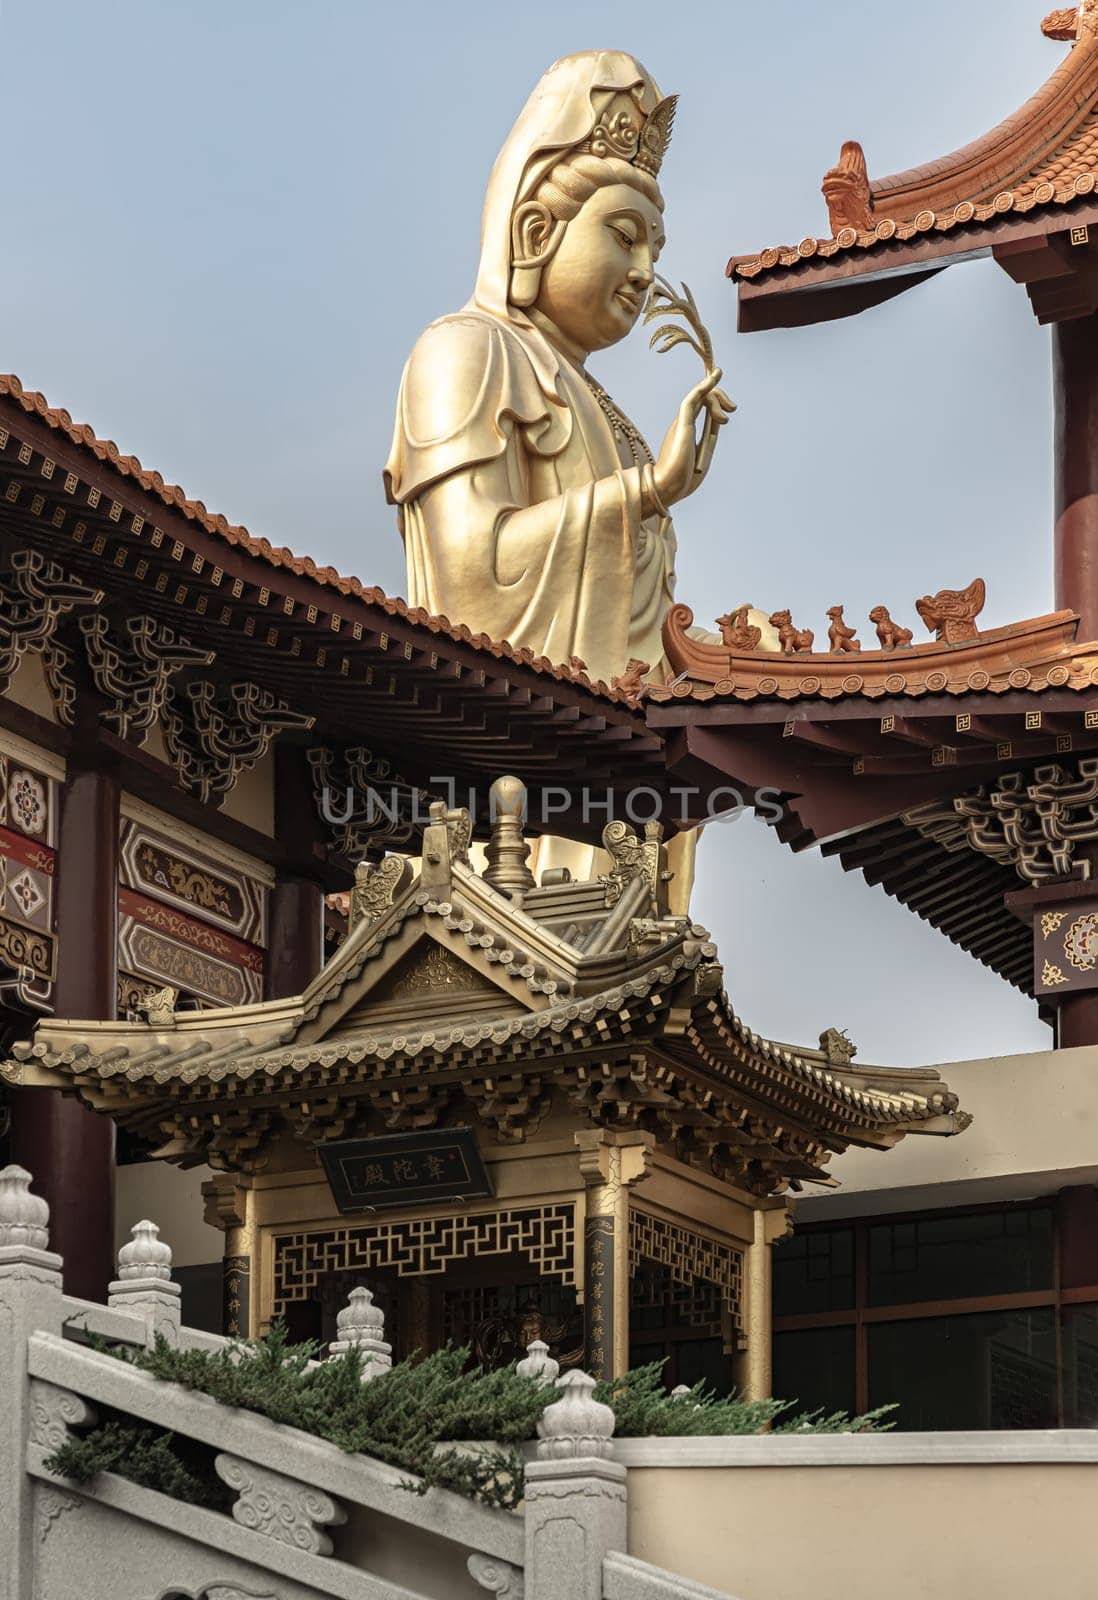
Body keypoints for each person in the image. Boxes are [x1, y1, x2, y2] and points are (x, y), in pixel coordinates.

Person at [384, 51, 735, 894]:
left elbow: (637, 637)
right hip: (520, 790)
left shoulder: (606, 409)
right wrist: (646, 493)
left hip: (626, 781)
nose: (646, 273)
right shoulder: (464, 351)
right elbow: (472, 582)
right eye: (625, 235)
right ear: (537, 232)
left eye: (655, 245)